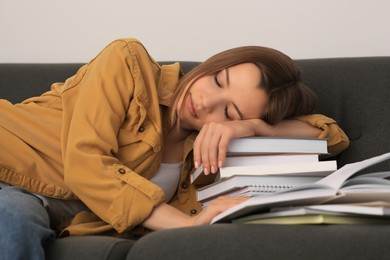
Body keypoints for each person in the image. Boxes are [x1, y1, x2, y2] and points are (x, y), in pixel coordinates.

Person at [0, 38, 349, 259]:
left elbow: (330, 138)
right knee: (13, 219)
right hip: (7, 165)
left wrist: (251, 126)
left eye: (228, 110)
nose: (206, 102)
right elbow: (85, 165)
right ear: (216, 63)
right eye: (217, 81)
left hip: (45, 208)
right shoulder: (128, 63)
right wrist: (183, 225)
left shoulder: (203, 151)